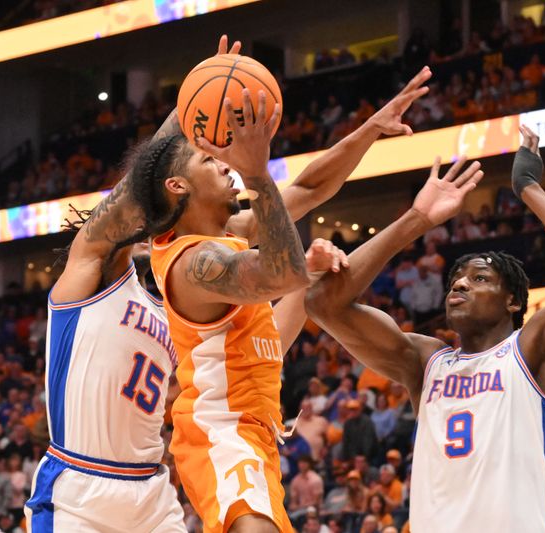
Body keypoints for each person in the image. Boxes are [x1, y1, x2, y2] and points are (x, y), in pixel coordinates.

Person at [148, 65, 435, 533]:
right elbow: (281, 270)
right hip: (221, 431)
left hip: (254, 431)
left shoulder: (231, 235)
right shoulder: (194, 264)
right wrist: (257, 176)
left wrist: (370, 130)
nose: (223, 162)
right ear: (178, 187)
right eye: (207, 160)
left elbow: (309, 188)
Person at [306, 126, 545, 532]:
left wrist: (529, 189)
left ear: (513, 301)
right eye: (457, 278)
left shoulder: (533, 350)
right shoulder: (425, 362)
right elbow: (322, 304)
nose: (459, 284)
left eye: (479, 279)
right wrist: (415, 220)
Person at [25, 36, 244, 533]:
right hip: (80, 486)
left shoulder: (179, 298)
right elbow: (127, 201)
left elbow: (278, 212)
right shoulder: (93, 275)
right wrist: (193, 106)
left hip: (150, 489)